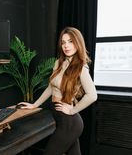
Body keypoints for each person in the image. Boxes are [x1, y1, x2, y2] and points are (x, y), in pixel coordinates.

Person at [18, 27, 97, 155]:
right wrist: (34, 105)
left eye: (70, 41)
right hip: (61, 119)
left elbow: (92, 95)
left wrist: (72, 110)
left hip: (70, 123)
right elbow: (51, 87)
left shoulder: (80, 67)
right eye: (63, 42)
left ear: (78, 43)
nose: (66, 46)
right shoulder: (59, 63)